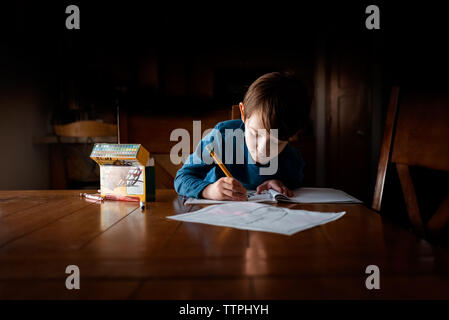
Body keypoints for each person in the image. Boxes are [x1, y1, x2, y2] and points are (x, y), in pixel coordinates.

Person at [174, 72, 311, 201]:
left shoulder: (292, 159)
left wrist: (280, 184)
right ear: (243, 113)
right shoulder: (222, 137)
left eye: (277, 142)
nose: (262, 149)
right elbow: (182, 178)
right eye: (255, 134)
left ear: (292, 136)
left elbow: (295, 186)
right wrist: (209, 190)